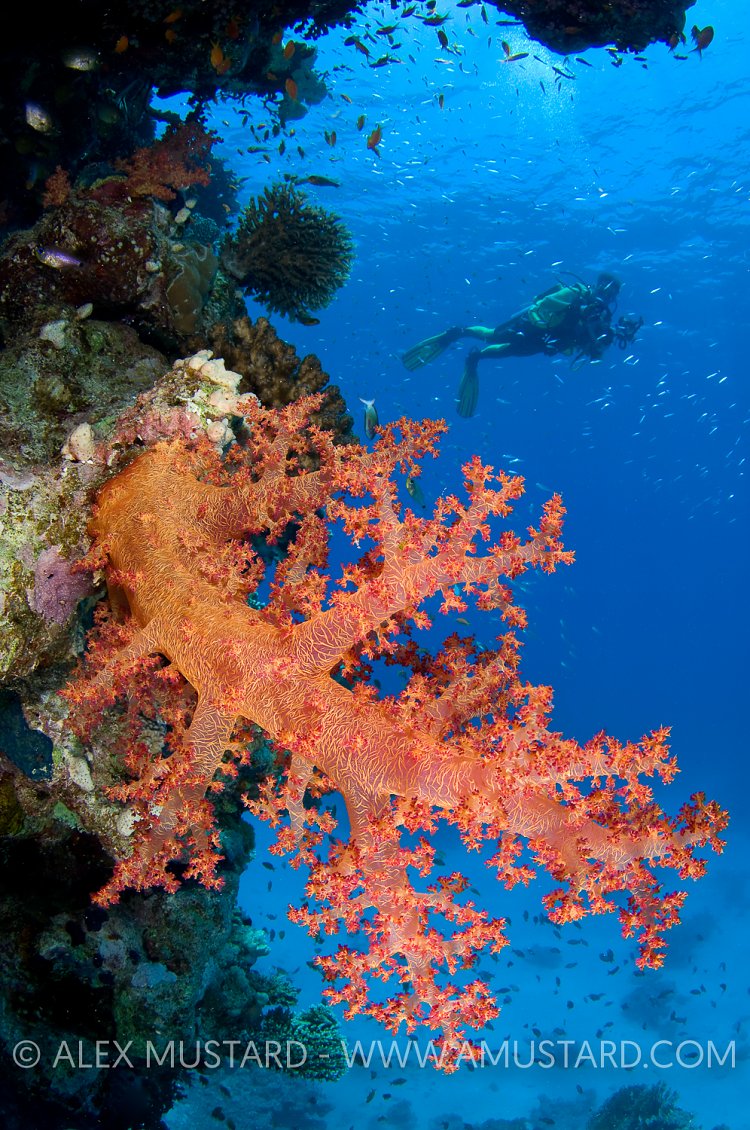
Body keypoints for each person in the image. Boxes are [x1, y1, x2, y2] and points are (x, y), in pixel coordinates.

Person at [401, 273, 643, 417]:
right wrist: (541, 329)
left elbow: (588, 353)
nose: (607, 294)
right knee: (494, 335)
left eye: (613, 293)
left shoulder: (601, 321)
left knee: (507, 352)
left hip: (543, 344)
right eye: (606, 288)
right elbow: (542, 306)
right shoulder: (575, 294)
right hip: (530, 326)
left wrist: (606, 340)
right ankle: (458, 332)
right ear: (598, 285)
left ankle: (475, 358)